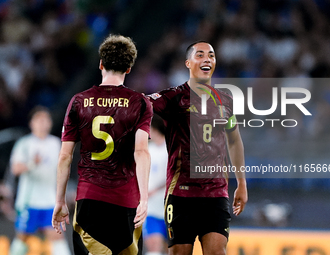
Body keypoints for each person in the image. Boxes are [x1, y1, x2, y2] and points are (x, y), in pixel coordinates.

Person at [52, 34, 153, 255]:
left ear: (100, 64)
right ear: (128, 69)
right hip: (127, 200)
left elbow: (65, 156)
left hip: (89, 199)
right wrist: (144, 199)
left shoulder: (79, 101)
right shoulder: (140, 103)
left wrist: (60, 200)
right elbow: (141, 152)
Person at [149, 41, 248, 255]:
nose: (207, 59)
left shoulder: (225, 100)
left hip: (216, 193)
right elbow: (139, 105)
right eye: (200, 54)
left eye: (211, 55)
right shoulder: (173, 98)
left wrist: (241, 182)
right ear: (188, 63)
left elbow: (234, 140)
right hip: (181, 194)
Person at [9, 106, 71, 255]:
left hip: (50, 200)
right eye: (39, 119)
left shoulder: (57, 144)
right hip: (29, 201)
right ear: (32, 123)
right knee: (22, 239)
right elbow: (15, 169)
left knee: (57, 237)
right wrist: (32, 163)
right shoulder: (24, 144)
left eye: (46, 119)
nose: (43, 122)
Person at [144, 115, 168, 255]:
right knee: (154, 246)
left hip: (169, 207)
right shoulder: (148, 150)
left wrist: (156, 189)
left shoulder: (171, 149)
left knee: (171, 249)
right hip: (151, 208)